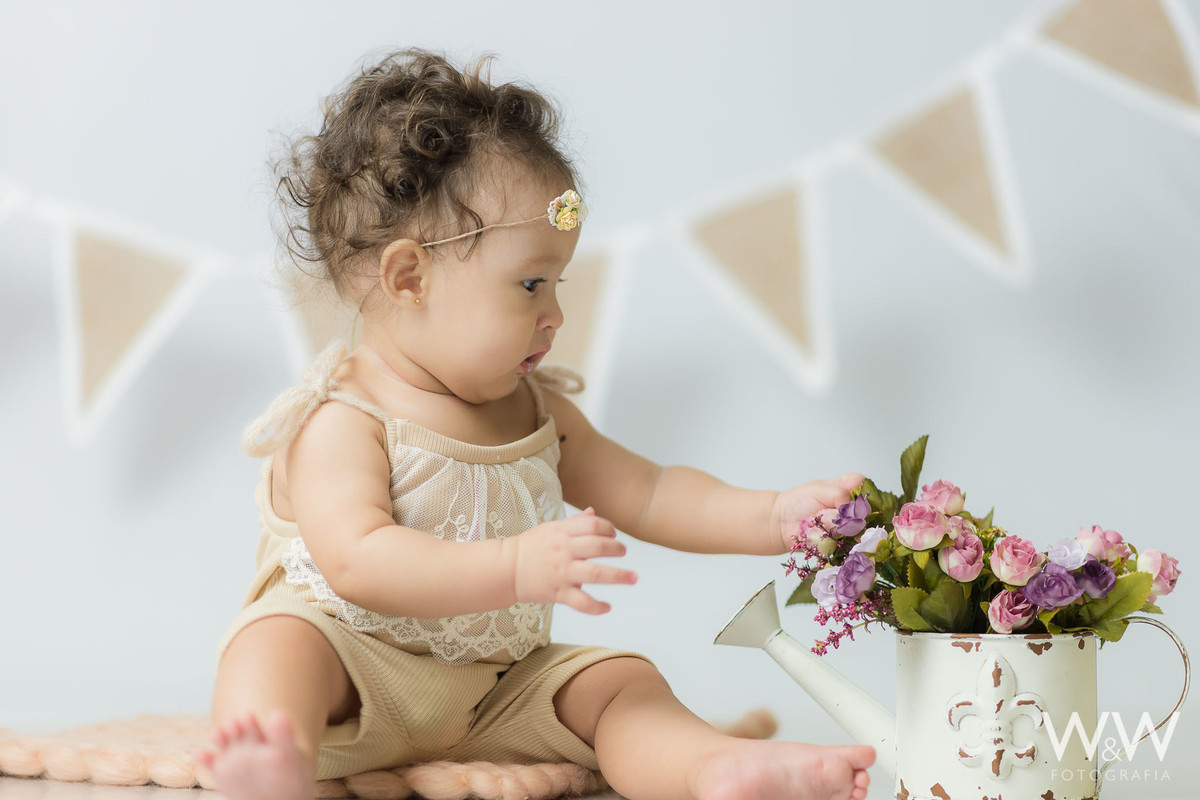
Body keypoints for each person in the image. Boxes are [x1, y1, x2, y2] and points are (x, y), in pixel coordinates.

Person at [195, 48, 874, 800]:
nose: (555, 314)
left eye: (557, 282)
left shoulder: (536, 411)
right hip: (353, 678)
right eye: (529, 284)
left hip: (495, 690)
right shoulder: (342, 418)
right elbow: (360, 562)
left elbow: (648, 492)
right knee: (276, 643)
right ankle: (271, 760)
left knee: (620, 682)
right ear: (410, 278)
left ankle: (712, 768)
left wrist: (775, 518)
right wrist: (515, 568)